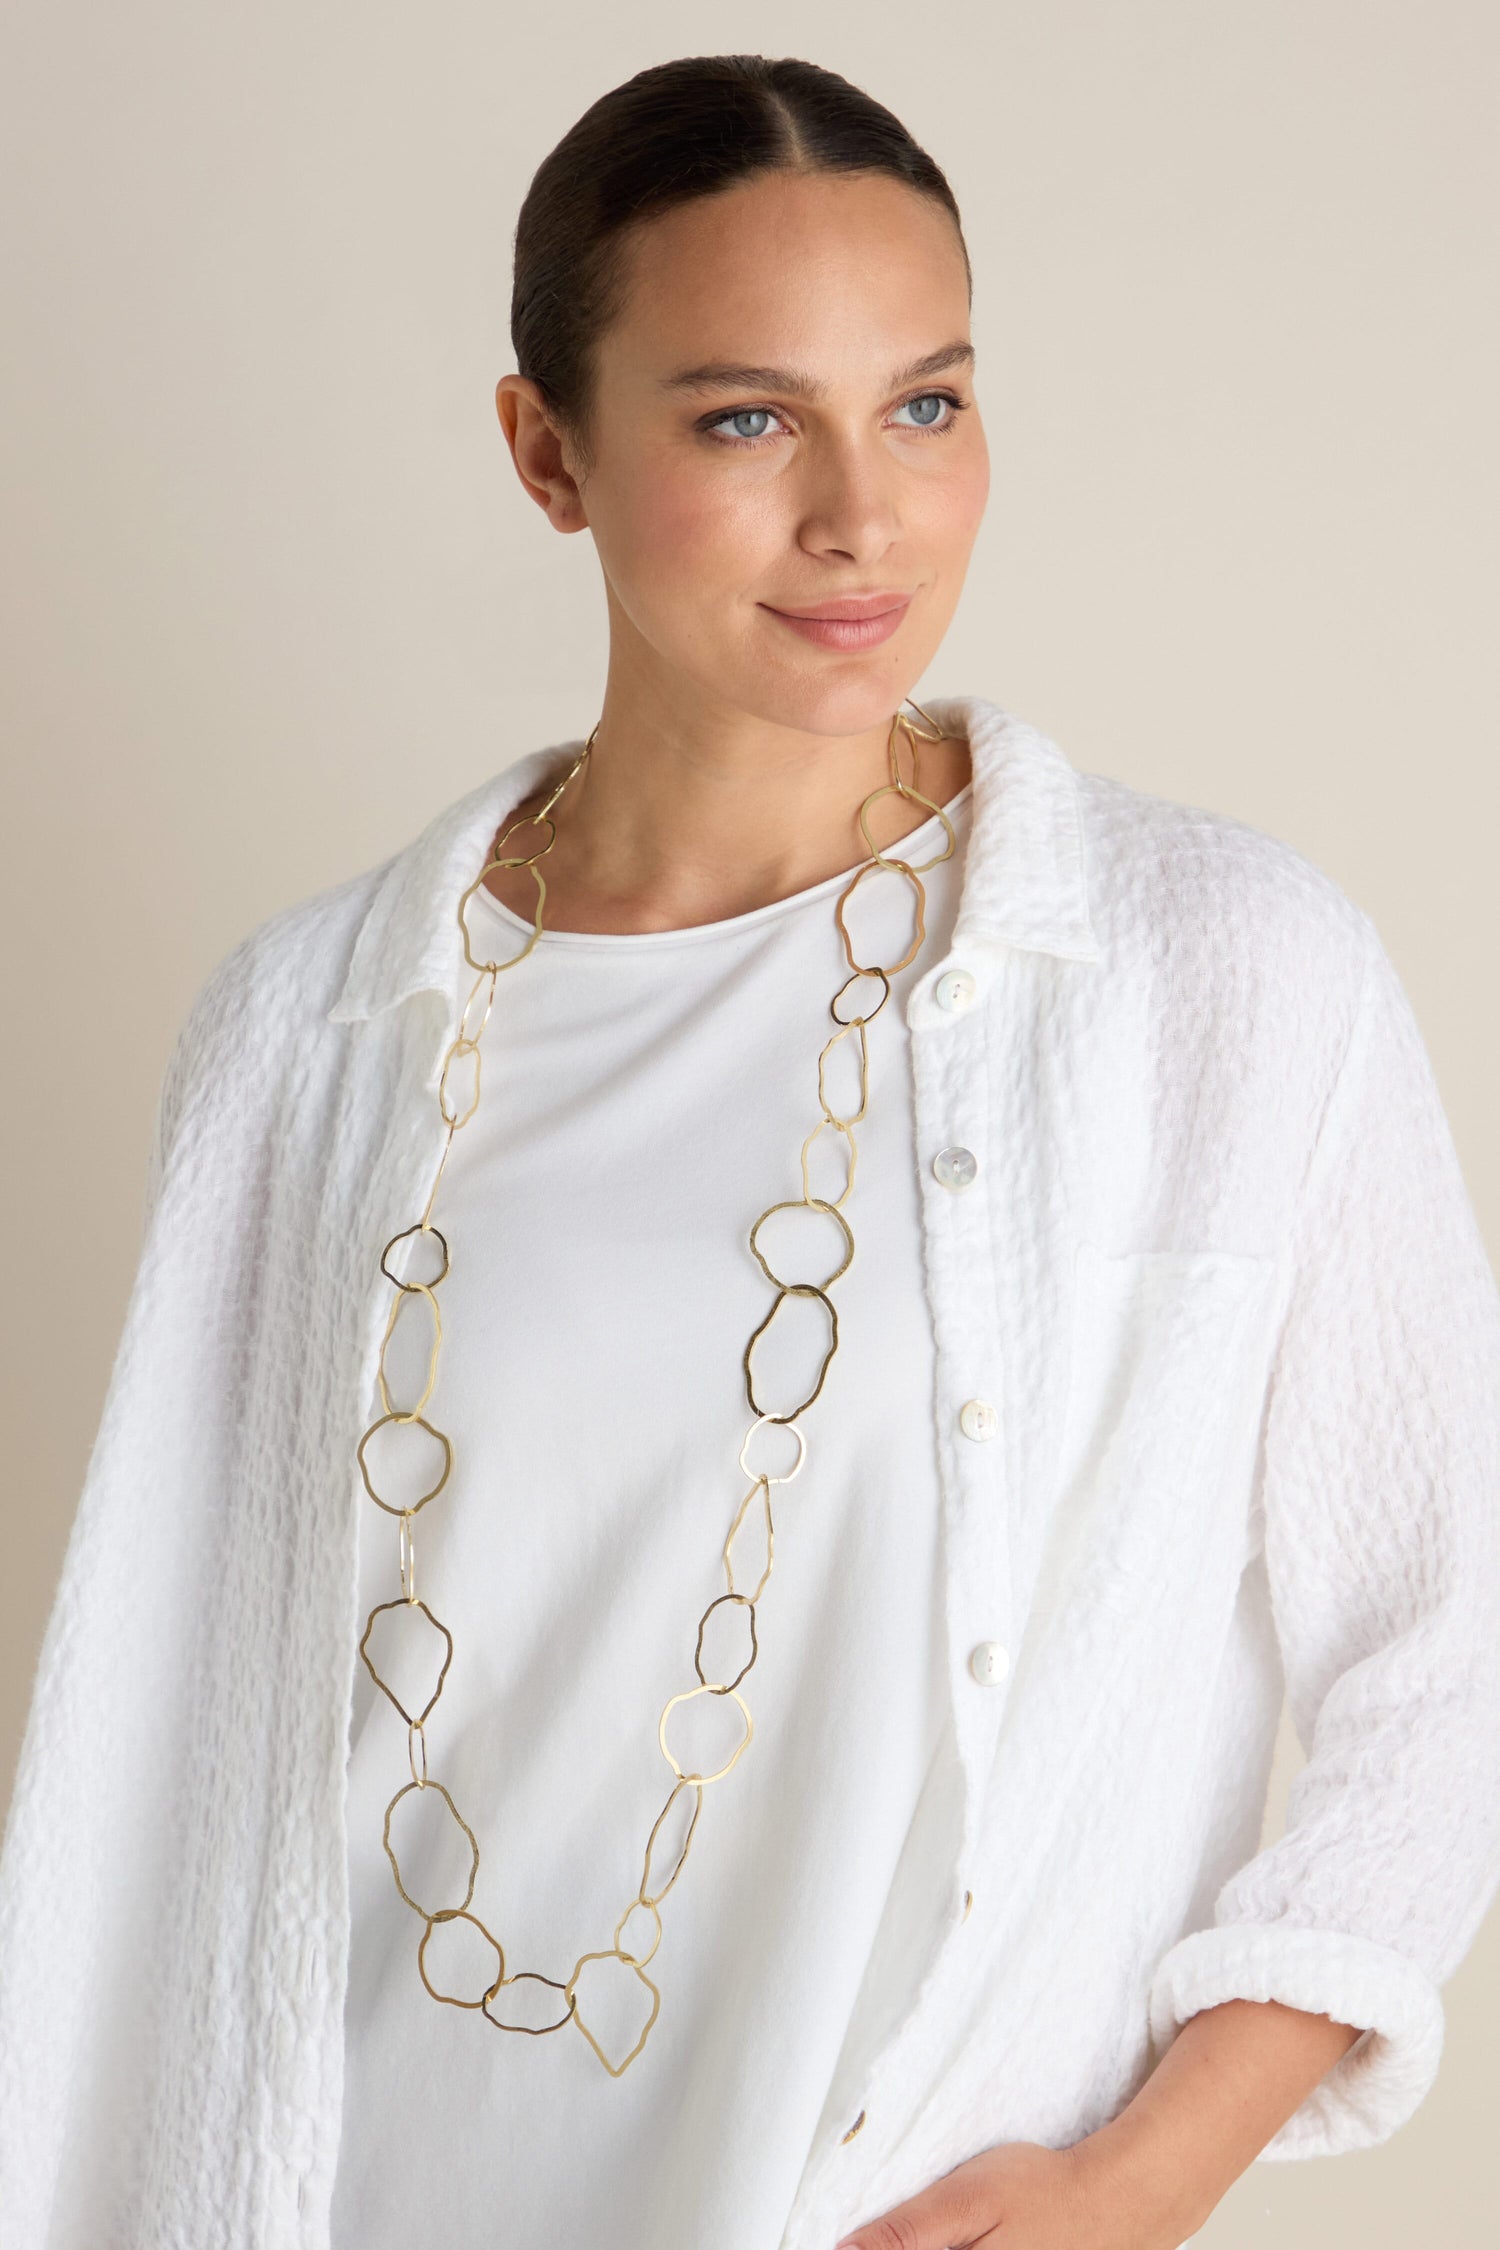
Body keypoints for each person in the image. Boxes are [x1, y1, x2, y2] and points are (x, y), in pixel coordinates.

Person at [1, 49, 1497, 2250]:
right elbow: (175, 1759)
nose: (864, 516)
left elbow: (1446, 1647)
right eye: (741, 419)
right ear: (547, 452)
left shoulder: (1220, 984)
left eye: (925, 404)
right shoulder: (307, 1038)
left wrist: (1139, 2177)